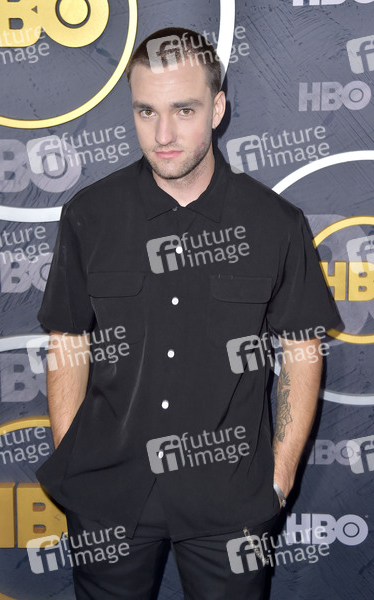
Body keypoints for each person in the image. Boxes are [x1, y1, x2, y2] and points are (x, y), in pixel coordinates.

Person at [36, 27, 340, 600]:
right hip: (108, 494)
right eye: (146, 111)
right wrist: (75, 463)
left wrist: (279, 479)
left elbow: (301, 351)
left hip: (231, 500)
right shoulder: (89, 215)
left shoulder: (274, 223)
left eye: (184, 110)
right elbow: (68, 341)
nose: (163, 134)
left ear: (217, 109)